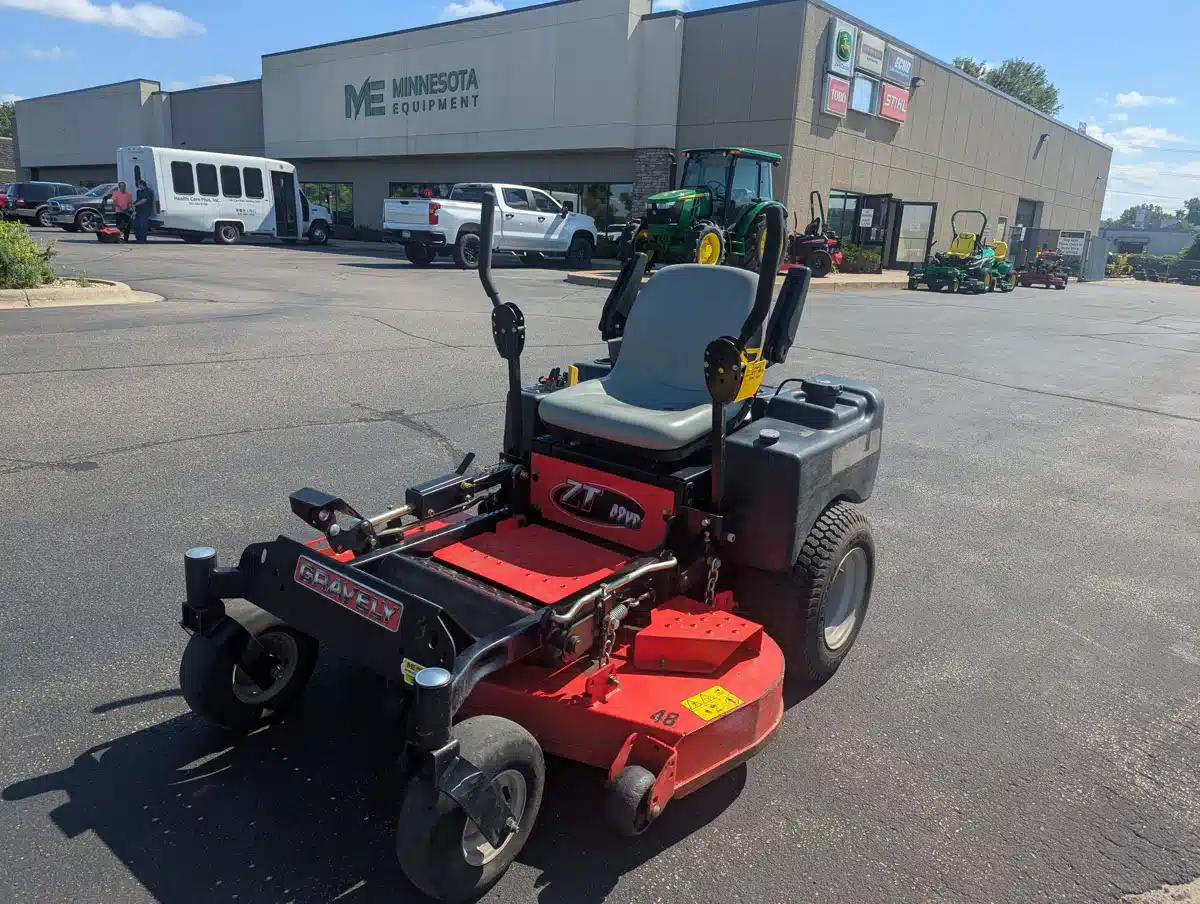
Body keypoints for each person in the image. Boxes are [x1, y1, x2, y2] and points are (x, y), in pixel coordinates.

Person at [133, 179, 155, 243]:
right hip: (138, 211)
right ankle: (138, 238)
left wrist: (135, 204)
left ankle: (143, 239)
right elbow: (138, 200)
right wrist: (132, 204)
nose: (138, 186)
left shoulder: (149, 191)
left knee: (143, 225)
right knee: (136, 225)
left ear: (142, 184)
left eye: (138, 184)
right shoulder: (138, 192)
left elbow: (144, 200)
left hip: (145, 211)